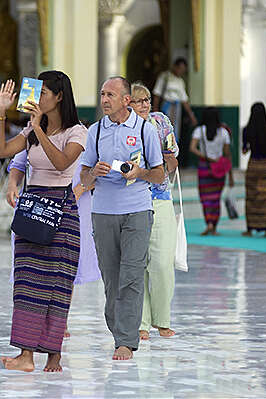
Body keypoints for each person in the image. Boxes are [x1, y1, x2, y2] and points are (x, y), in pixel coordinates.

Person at [0, 71, 87, 372]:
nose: (39, 97)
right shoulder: (33, 130)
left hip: (62, 210)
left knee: (57, 285)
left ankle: (53, 355)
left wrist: (38, 129)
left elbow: (63, 162)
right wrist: (0, 112)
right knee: (26, 281)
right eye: (38, 91)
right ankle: (25, 355)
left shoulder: (77, 131)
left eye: (45, 92)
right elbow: (1, 151)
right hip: (32, 206)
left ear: (60, 96)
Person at [80, 76, 165, 360]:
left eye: (111, 95)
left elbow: (159, 173)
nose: (104, 100)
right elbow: (83, 174)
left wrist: (138, 173)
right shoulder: (95, 131)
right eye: (102, 94)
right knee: (112, 279)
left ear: (126, 100)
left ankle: (126, 341)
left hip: (137, 210)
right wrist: (94, 173)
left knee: (131, 275)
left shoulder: (144, 130)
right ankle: (119, 333)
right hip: (103, 211)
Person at [5, 149, 101, 337]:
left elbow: (95, 173)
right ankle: (32, 319)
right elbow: (17, 164)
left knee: (64, 266)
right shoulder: (34, 133)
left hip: (75, 206)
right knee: (32, 264)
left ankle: (58, 320)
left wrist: (78, 190)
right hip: (38, 206)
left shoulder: (82, 137)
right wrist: (11, 186)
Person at [129, 82, 179, 341]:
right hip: (131, 200)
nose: (145, 104)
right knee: (137, 263)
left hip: (160, 198)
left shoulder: (160, 122)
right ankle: (142, 322)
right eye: (138, 101)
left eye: (147, 99)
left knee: (161, 263)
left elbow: (172, 159)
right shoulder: (121, 129)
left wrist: (154, 166)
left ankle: (162, 318)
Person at [189, 107, 234, 235]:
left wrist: (205, 157)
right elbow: (227, 154)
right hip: (219, 167)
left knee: (205, 197)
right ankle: (214, 226)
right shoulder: (224, 132)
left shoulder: (199, 131)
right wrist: (230, 175)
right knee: (216, 197)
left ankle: (208, 222)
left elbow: (192, 148)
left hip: (204, 166)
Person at [241, 103, 266, 237]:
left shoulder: (247, 130)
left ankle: (250, 228)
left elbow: (244, 150)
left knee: (252, 196)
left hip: (253, 165)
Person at [152, 57, 198, 142]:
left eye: (183, 70)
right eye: (180, 69)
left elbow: (184, 100)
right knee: (163, 129)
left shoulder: (180, 81)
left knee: (174, 130)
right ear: (174, 67)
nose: (181, 71)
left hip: (176, 108)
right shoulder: (164, 77)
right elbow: (157, 94)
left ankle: (173, 150)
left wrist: (191, 115)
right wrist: (155, 111)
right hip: (166, 106)